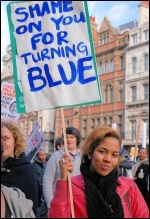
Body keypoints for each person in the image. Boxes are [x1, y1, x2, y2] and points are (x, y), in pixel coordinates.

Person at [48, 126, 149, 218]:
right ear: (90, 152)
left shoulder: (129, 187)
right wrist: (63, 180)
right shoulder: (72, 186)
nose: (108, 159)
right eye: (102, 152)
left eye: (114, 155)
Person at [1, 120, 38, 216]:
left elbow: (31, 208)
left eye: (6, 138)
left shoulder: (26, 170)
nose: (1, 142)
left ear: (16, 141)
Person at [43, 127, 82, 214]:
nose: (69, 139)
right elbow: (47, 182)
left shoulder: (83, 158)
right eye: (66, 137)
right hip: (59, 204)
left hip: (77, 206)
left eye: (72, 137)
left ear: (77, 139)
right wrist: (51, 205)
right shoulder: (55, 156)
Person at [32, 149, 47, 217]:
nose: (44, 156)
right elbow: (40, 182)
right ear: (37, 156)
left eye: (44, 154)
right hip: (38, 199)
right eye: (41, 155)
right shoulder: (35, 166)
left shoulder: (42, 165)